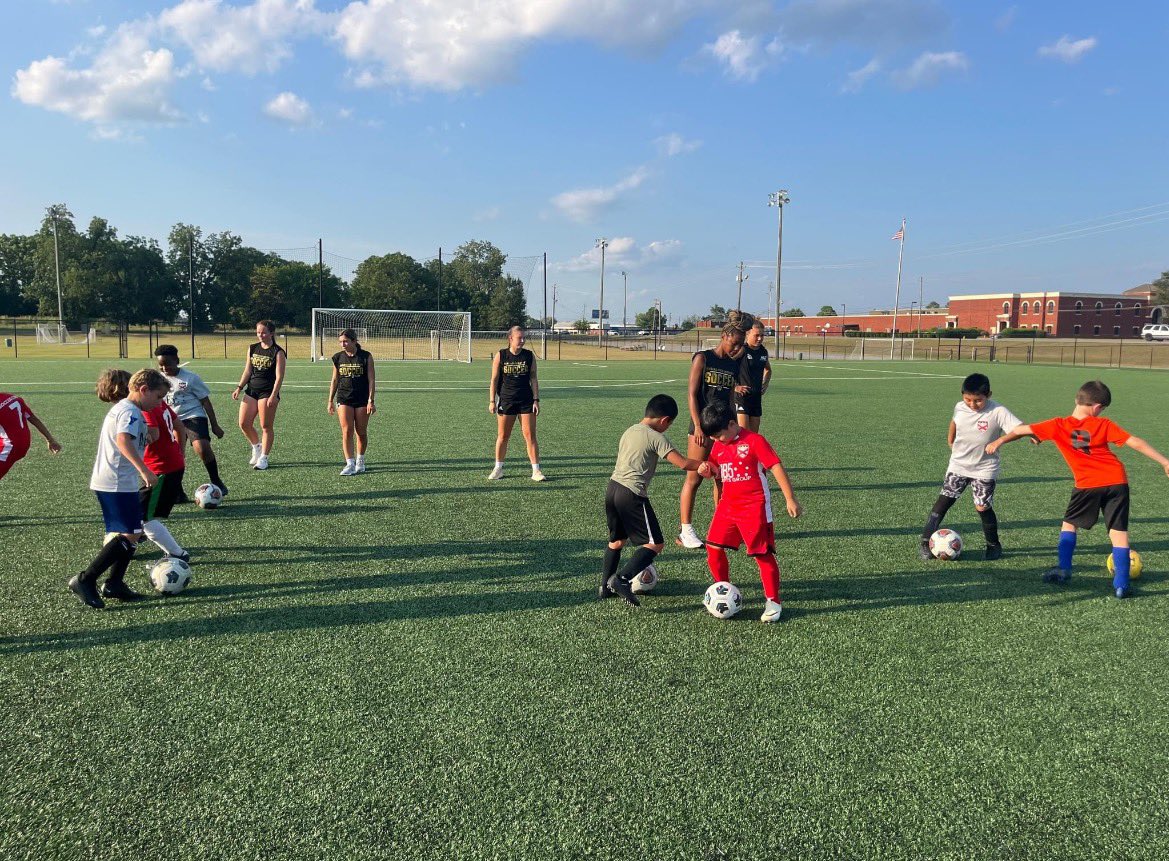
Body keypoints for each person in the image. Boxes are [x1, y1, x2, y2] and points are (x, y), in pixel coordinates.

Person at [986, 380, 1169, 598]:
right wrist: (1164, 462)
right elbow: (1135, 442)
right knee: (1118, 534)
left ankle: (1064, 569)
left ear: (1077, 400)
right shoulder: (1104, 424)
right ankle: (1121, 584)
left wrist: (1000, 441)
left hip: (1087, 484)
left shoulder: (1057, 425)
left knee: (1070, 525)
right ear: (1098, 407)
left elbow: (1021, 429)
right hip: (1116, 481)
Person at [69, 368, 169, 609]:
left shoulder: (128, 409)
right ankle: (85, 579)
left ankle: (114, 583)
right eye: (158, 397)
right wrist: (144, 470)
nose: (159, 403)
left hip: (116, 480)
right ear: (143, 390)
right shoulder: (129, 411)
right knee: (131, 533)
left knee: (132, 533)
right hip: (114, 482)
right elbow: (123, 440)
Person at [696, 401, 802, 622]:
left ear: (733, 424)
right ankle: (722, 588)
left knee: (761, 554)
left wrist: (790, 498)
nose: (716, 441)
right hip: (727, 506)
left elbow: (775, 466)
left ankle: (773, 602)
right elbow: (716, 470)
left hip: (754, 507)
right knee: (713, 547)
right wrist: (707, 469)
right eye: (712, 438)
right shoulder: (718, 444)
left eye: (718, 436)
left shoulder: (754, 441)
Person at [600, 394, 703, 606]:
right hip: (632, 493)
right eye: (670, 424)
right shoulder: (656, 436)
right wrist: (704, 465)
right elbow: (682, 463)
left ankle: (604, 587)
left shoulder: (630, 430)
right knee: (655, 543)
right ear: (664, 420)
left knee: (617, 541)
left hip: (612, 489)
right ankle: (622, 579)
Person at [918, 373, 1022, 562]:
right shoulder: (960, 407)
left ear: (988, 395)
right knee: (943, 502)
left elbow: (1019, 429)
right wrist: (950, 439)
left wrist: (999, 441)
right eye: (968, 399)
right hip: (958, 465)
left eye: (978, 400)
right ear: (962, 395)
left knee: (982, 507)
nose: (972, 404)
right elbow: (954, 421)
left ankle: (993, 545)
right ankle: (925, 542)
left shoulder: (998, 411)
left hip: (985, 468)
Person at [677, 321, 747, 549]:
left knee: (722, 477)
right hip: (703, 426)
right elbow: (691, 394)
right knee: (695, 477)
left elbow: (729, 398)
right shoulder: (703, 358)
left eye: (740, 345)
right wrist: (697, 426)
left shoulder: (734, 365)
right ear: (724, 336)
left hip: (724, 428)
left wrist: (735, 427)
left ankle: (722, 527)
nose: (736, 348)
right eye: (734, 343)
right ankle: (685, 530)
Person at [155, 344, 227, 497]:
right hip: (172, 421)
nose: (164, 368)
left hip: (193, 416)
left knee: (202, 448)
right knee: (176, 456)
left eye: (167, 364)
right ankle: (178, 490)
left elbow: (205, 401)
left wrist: (215, 425)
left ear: (177, 360)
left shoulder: (191, 378)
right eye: (161, 365)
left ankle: (216, 480)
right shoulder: (158, 380)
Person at [487, 325, 544, 481]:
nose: (523, 340)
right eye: (520, 338)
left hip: (526, 400)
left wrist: (536, 399)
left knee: (530, 436)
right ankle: (498, 468)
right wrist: (492, 401)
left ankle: (536, 471)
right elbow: (494, 379)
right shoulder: (501, 355)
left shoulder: (529, 356)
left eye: (524, 338)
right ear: (510, 338)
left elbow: (533, 378)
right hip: (506, 400)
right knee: (503, 436)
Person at [139, 399, 191, 563]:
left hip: (162, 469)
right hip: (169, 464)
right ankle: (132, 538)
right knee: (139, 509)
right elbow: (180, 427)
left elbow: (153, 435)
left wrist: (126, 441)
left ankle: (177, 554)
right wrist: (180, 452)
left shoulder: (146, 406)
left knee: (144, 516)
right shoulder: (159, 402)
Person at [233, 319, 286, 470]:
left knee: (266, 426)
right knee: (244, 423)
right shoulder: (252, 348)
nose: (260, 335)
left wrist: (273, 395)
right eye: (258, 332)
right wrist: (239, 387)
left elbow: (279, 376)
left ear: (271, 333)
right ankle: (256, 447)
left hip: (267, 392)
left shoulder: (278, 352)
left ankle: (264, 457)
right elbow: (248, 370)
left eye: (263, 332)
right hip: (252, 390)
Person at [327, 329, 376, 476]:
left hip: (362, 399)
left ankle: (360, 459)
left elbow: (371, 380)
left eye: (346, 341)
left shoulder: (366, 356)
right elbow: (335, 380)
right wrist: (330, 400)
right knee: (346, 431)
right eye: (341, 342)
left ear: (354, 341)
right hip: (344, 398)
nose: (343, 344)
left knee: (360, 432)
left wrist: (371, 401)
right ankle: (349, 463)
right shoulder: (338, 358)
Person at [0, 392, 62, 482]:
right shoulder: (13, 397)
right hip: (23, 443)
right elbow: (33, 418)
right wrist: (50, 439)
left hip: (8, 448)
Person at [735, 320, 772, 432]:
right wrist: (735, 387)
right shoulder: (742, 350)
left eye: (762, 335)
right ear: (748, 334)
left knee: (753, 437)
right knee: (744, 435)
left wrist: (765, 383)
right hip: (742, 398)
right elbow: (727, 367)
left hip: (756, 399)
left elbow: (768, 370)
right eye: (757, 335)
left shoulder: (763, 352)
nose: (760, 338)